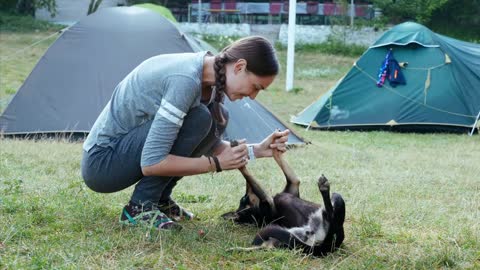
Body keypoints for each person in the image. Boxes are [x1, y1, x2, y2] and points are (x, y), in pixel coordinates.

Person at [81, 36, 290, 230]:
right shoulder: (186, 81)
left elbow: (208, 145)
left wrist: (258, 150)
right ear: (239, 66)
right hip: (102, 163)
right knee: (200, 118)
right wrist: (215, 164)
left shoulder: (210, 80)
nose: (253, 97)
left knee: (214, 116)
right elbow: (152, 162)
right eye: (255, 87)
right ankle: (140, 207)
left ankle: (160, 199)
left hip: (124, 154)